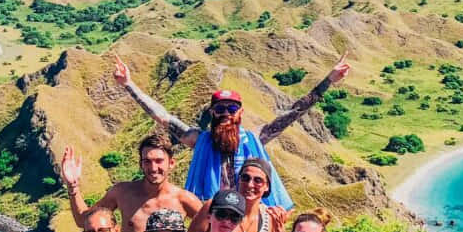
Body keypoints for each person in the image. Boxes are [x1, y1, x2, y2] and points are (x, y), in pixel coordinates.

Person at [111, 52, 351, 207]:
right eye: (220, 109)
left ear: (240, 113)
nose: (225, 113)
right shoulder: (199, 140)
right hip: (211, 220)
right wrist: (129, 85)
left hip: (249, 220)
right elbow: (162, 116)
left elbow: (294, 112)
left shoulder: (253, 139)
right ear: (212, 113)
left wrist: (328, 80)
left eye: (231, 108)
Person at [61, 132, 203, 232]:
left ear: (171, 163)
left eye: (159, 161)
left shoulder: (184, 199)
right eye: (147, 161)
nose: (153, 168)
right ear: (140, 164)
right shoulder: (122, 192)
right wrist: (73, 186)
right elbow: (83, 221)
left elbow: (214, 230)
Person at [188, 156, 289, 232]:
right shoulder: (215, 207)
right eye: (245, 178)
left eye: (258, 180)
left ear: (267, 186)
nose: (250, 184)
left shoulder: (269, 219)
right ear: (239, 180)